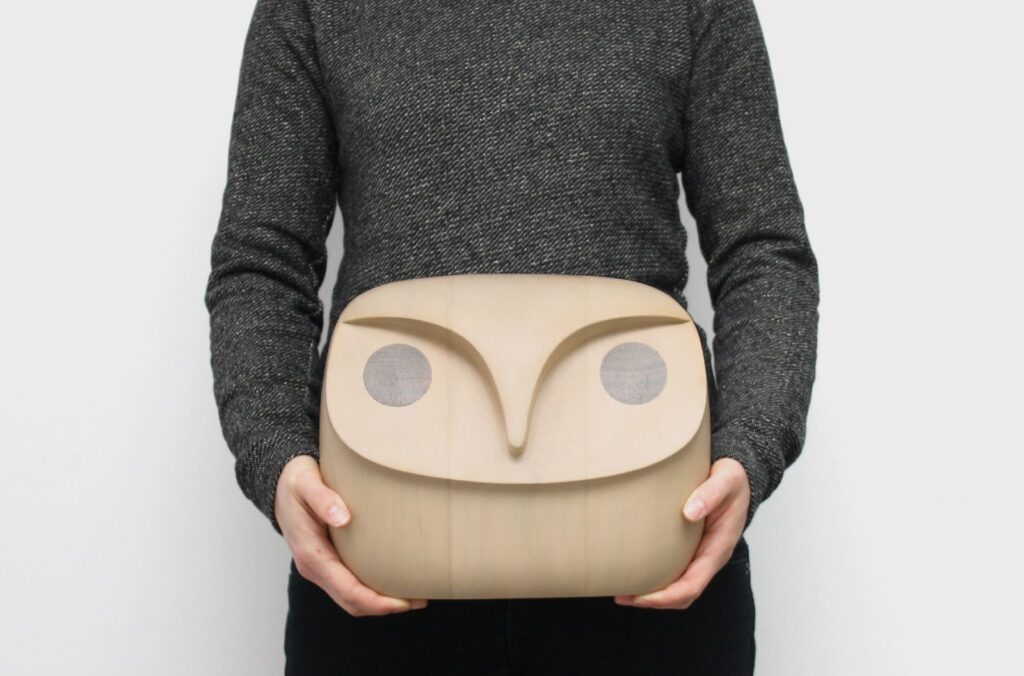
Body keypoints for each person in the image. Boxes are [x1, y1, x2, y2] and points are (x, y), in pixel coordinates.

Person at [204, 0, 819, 673]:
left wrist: (749, 448)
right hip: (378, 552)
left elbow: (762, 250)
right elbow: (263, 262)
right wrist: (277, 459)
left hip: (653, 547)